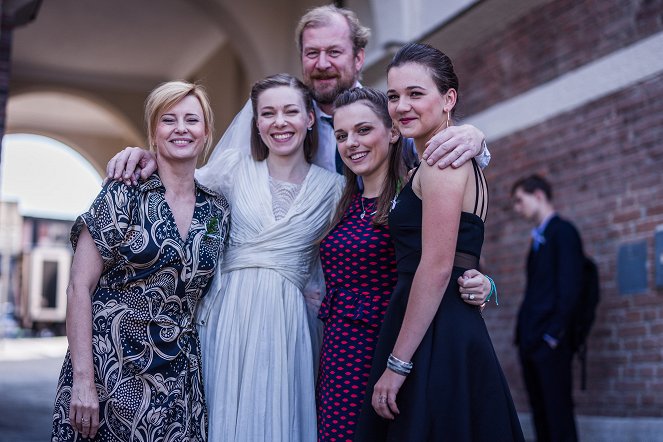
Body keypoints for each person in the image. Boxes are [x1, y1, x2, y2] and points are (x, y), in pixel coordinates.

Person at [106, 5, 489, 186]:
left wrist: (475, 138)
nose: (322, 63)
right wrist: (152, 157)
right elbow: (209, 176)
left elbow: (434, 151)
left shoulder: (387, 112)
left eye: (334, 52)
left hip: (377, 271)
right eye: (312, 53)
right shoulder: (282, 118)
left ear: (358, 57)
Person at [354, 43, 524, 441]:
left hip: (436, 331)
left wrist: (397, 365)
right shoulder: (431, 159)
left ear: (448, 99)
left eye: (416, 93)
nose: (401, 106)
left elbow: (436, 265)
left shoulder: (442, 161)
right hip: (438, 320)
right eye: (394, 96)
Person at [51, 81, 231, 441]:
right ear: (153, 133)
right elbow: (78, 287)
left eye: (191, 120)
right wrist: (84, 382)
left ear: (206, 132)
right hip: (110, 371)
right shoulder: (123, 191)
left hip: (179, 381)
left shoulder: (218, 209)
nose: (181, 128)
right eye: (168, 120)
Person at [316, 86, 492, 441]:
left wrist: (486, 286)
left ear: (393, 132)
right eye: (341, 135)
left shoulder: (411, 196)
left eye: (364, 130)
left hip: (389, 344)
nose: (352, 143)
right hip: (337, 351)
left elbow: (455, 260)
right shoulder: (341, 200)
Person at [194, 74, 343, 441]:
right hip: (228, 315)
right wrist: (140, 157)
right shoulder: (230, 171)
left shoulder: (336, 190)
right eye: (268, 113)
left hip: (289, 322)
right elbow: (176, 186)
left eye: (291, 111)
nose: (280, 122)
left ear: (310, 118)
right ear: (256, 122)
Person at [512, 174, 583, 442]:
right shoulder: (537, 238)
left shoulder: (563, 232)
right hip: (532, 340)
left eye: (520, 201)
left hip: (550, 342)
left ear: (538, 195)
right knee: (541, 415)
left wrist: (553, 335)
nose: (518, 209)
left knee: (558, 415)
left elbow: (570, 288)